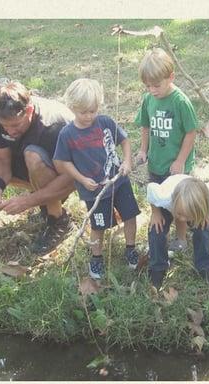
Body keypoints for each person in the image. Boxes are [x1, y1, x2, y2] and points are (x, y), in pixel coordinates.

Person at [0, 81, 76, 254]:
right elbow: (1, 158)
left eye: (16, 125)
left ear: (30, 111)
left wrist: (27, 201)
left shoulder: (54, 126)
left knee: (33, 156)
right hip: (28, 161)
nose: (10, 132)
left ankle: (58, 219)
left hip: (67, 172)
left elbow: (72, 179)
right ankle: (44, 195)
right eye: (5, 126)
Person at [53, 78, 140, 279]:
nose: (89, 116)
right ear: (72, 108)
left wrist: (127, 161)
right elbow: (62, 162)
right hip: (94, 191)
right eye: (84, 112)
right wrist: (81, 179)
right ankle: (97, 257)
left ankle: (131, 249)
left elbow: (124, 140)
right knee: (98, 225)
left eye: (93, 110)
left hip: (119, 182)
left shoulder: (105, 123)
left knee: (130, 215)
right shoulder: (67, 134)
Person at [134, 48, 199, 255]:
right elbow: (145, 126)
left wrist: (180, 161)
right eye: (148, 86)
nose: (152, 90)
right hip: (156, 162)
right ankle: (159, 230)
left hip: (176, 166)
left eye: (156, 85)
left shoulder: (180, 102)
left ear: (171, 77)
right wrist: (143, 150)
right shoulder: (148, 100)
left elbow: (191, 132)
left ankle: (181, 238)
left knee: (178, 205)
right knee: (157, 196)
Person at [147, 174, 209, 289]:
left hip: (193, 204)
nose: (182, 220)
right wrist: (155, 213)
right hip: (167, 202)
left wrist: (204, 214)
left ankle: (204, 265)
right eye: (180, 215)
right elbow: (151, 188)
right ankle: (158, 267)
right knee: (156, 230)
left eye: (188, 217)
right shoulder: (163, 196)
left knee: (203, 228)